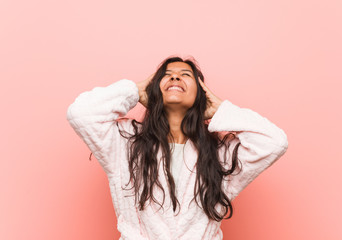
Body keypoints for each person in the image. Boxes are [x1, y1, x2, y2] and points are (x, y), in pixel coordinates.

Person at [66, 56, 289, 240]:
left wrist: (220, 109)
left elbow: (274, 142)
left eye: (185, 75)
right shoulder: (125, 142)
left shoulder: (220, 154)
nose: (175, 76)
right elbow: (81, 114)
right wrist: (134, 90)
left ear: (201, 94)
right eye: (166, 74)